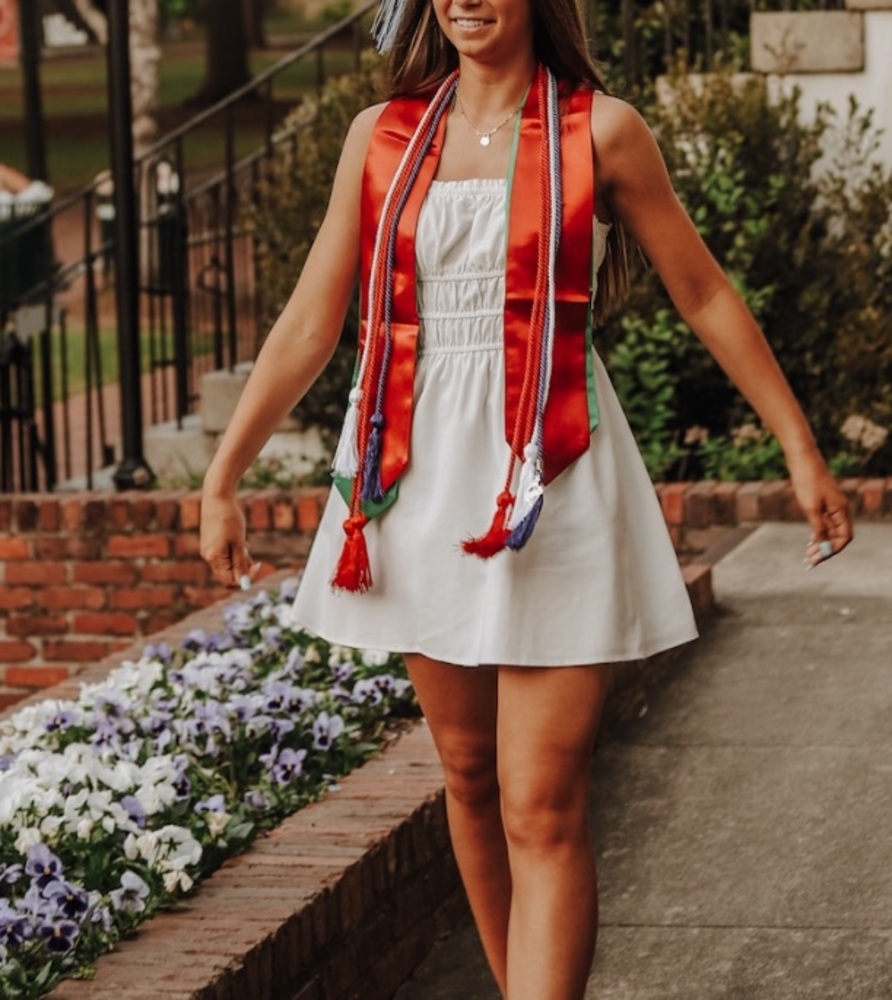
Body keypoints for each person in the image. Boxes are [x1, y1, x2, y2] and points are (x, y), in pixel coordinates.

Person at [200, 0, 854, 996]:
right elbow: (310, 319)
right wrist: (224, 473)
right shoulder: (379, 139)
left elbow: (704, 292)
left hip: (553, 477)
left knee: (541, 803)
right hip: (415, 482)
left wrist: (799, 448)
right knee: (466, 775)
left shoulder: (603, 129)